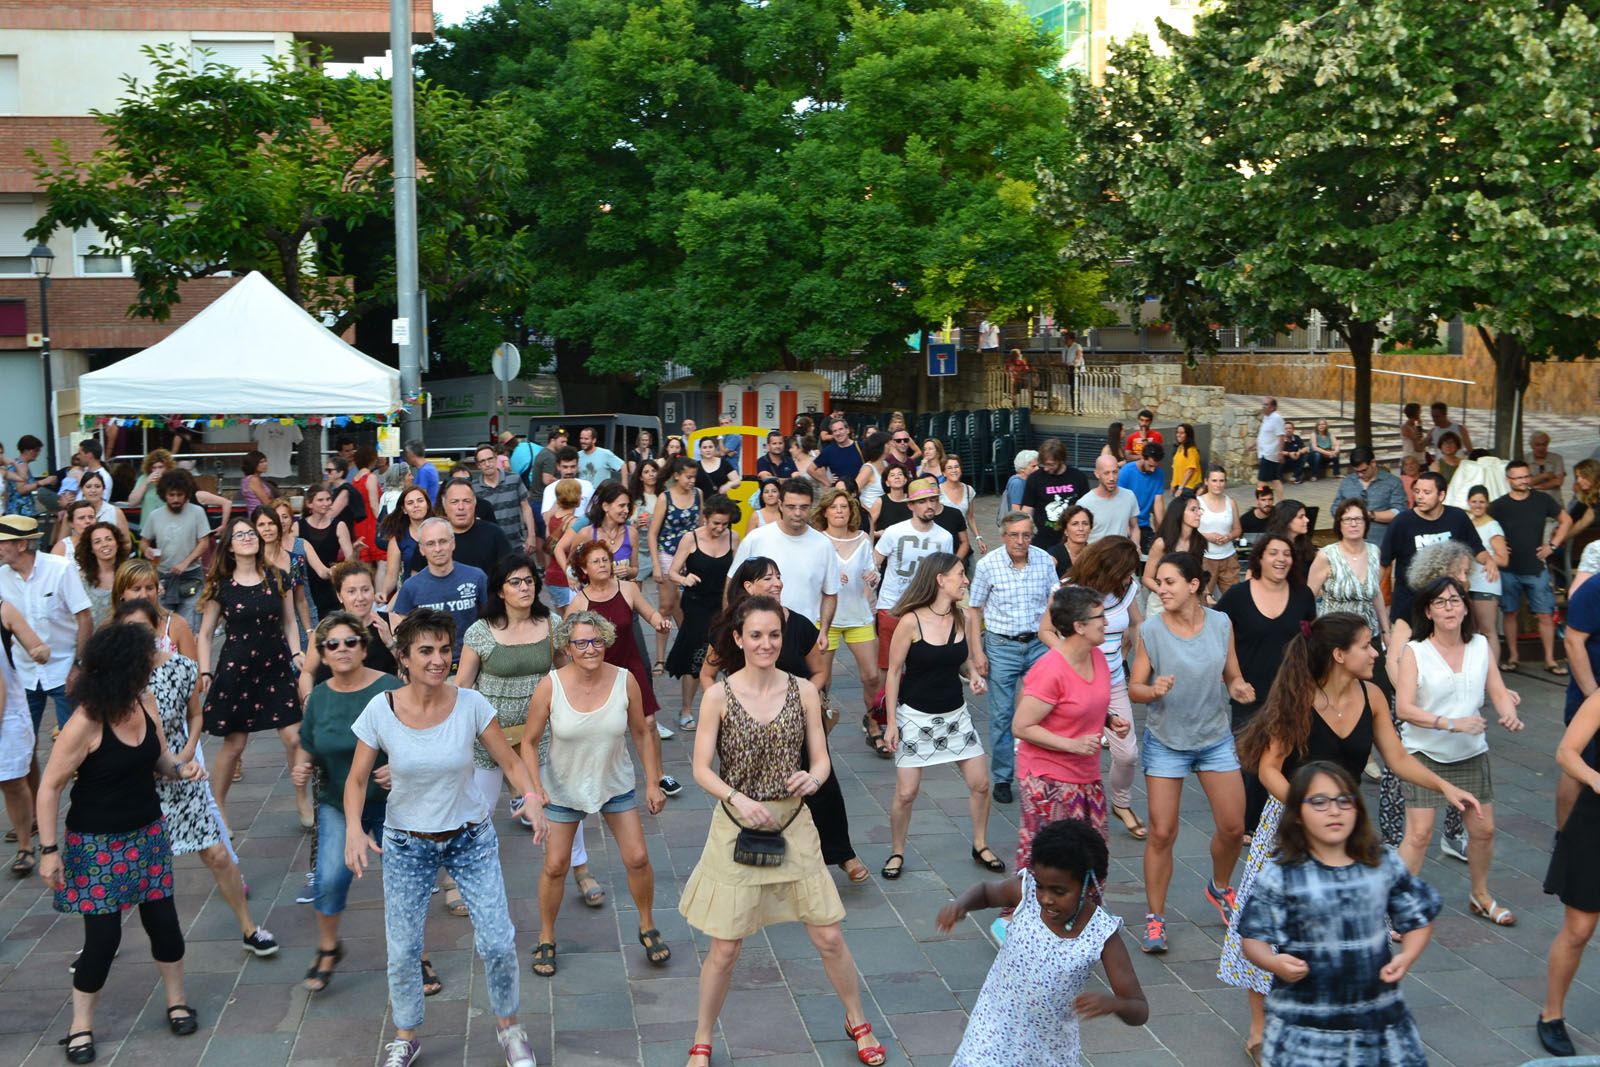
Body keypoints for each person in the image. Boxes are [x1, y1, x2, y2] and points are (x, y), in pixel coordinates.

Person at [1219, 614, 1480, 1056]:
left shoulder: (1373, 695)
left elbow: (1396, 757)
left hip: (1346, 828)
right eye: (1367, 646)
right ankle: (1260, 1028)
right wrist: (1305, 809)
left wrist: (1445, 786)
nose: (1376, 653)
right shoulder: (1300, 697)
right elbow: (1267, 768)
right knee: (1272, 926)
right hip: (1290, 827)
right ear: (1340, 655)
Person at [678, 594, 887, 1067]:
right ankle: (703, 1037)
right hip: (735, 826)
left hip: (794, 822)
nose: (766, 643)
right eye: (756, 635)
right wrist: (737, 798)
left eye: (773, 635)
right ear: (738, 638)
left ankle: (857, 1019)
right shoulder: (718, 695)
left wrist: (813, 777)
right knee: (726, 947)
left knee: (829, 937)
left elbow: (820, 757)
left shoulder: (803, 691)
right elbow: (700, 769)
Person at [343, 608, 541, 1067]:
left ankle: (510, 1030)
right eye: (425, 651)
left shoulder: (470, 704)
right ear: (404, 659)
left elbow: (510, 762)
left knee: (496, 940)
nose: (437, 660)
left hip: (469, 838)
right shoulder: (382, 709)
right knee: (405, 947)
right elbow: (356, 780)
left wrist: (528, 793)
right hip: (407, 844)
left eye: (444, 650)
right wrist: (354, 828)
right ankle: (406, 1036)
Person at [35, 620, 209, 1063]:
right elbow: (50, 786)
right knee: (103, 939)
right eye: (144, 664)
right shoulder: (85, 723)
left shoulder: (143, 702)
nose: (152, 670)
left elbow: (158, 759)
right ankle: (81, 1026)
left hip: (147, 834)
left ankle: (176, 1001)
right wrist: (50, 851)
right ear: (122, 668)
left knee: (164, 924)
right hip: (96, 845)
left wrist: (179, 768)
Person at [1236, 762, 1441, 1067]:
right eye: (1319, 802)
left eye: (1345, 800)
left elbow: (1418, 918)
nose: (1334, 810)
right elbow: (1252, 938)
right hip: (1304, 1024)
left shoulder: (1381, 864)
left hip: (1376, 1018)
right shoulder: (1280, 875)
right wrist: (1272, 962)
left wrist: (1406, 956)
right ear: (1297, 817)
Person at [117, 598, 277, 953]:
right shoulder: (114, 677)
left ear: (157, 628)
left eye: (143, 629)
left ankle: (250, 929)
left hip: (181, 771)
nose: (136, 638)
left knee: (217, 853)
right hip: (135, 779)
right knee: (124, 863)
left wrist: (189, 748)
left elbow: (196, 715)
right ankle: (100, 942)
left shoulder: (181, 668)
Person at [700, 557, 868, 884]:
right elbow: (707, 674)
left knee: (823, 788)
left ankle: (842, 853)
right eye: (768, 578)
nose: (777, 583)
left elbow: (820, 671)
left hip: (797, 723)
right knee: (756, 790)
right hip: (747, 725)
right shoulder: (729, 627)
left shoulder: (799, 624)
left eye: (778, 577)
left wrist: (798, 699)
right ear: (748, 587)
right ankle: (764, 852)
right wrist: (723, 708)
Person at [519, 610, 668, 978]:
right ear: (568, 648)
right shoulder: (550, 685)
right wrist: (535, 789)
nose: (590, 649)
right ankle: (547, 935)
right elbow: (529, 741)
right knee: (556, 865)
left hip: (614, 782)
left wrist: (653, 780)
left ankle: (647, 925)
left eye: (597, 641)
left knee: (637, 857)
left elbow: (642, 732)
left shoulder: (625, 680)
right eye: (581, 643)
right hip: (563, 788)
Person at [938, 819, 1148, 1066]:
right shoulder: (1026, 894)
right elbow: (986, 891)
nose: (1046, 899)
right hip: (991, 1031)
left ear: (1088, 885)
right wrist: (961, 905)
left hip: (1048, 1050)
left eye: (1059, 891)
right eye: (1041, 886)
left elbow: (1139, 1009)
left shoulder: (1102, 935)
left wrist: (1115, 1004)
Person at [1129, 551, 1254, 953]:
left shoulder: (1220, 623)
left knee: (1234, 827)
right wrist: (1153, 691)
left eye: (1169, 582)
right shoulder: (1151, 629)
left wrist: (1237, 687)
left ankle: (1219, 887)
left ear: (1194, 585)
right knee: (1162, 832)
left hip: (1214, 737)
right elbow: (1135, 687)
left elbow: (1231, 673)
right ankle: (1155, 918)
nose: (1161, 589)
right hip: (1167, 741)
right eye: (1158, 583)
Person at [1394, 575, 1523, 925]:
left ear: (1466, 608)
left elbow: (1496, 689)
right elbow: (1404, 708)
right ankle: (1398, 907)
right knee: (1419, 835)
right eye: (1440, 602)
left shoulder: (1480, 645)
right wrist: (1450, 723)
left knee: (1484, 830)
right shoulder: (1415, 651)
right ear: (1428, 611)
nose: (1449, 607)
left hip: (1470, 752)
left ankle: (1480, 895)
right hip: (1423, 753)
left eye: (1455, 600)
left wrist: (1508, 713)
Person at [881, 553, 994, 878]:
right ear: (940, 579)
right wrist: (891, 723)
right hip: (915, 717)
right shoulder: (910, 622)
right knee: (906, 792)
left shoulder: (965, 618)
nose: (966, 580)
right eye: (961, 574)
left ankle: (980, 844)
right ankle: (897, 851)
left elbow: (963, 659)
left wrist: (972, 673)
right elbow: (894, 672)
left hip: (956, 715)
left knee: (981, 784)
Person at [198, 515, 306, 827]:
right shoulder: (221, 585)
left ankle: (302, 798)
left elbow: (288, 621)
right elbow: (205, 633)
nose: (248, 537)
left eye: (251, 533)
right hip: (237, 669)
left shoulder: (277, 577)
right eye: (240, 534)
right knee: (234, 746)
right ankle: (218, 808)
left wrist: (296, 651)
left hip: (275, 666)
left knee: (294, 737)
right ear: (229, 547)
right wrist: (205, 671)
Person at [1013, 586, 1134, 862]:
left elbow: (1080, 702)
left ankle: (1085, 907)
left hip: (1086, 776)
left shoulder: (1098, 658)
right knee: (1051, 866)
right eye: (1100, 617)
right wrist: (1072, 744)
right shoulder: (1050, 669)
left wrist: (1110, 720)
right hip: (1047, 781)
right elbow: (1021, 726)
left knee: (1091, 859)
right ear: (1079, 626)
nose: (1106, 622)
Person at [1048, 537, 1147, 841]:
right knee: (1076, 752)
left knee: (1127, 753)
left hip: (1113, 680)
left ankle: (1121, 802)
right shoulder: (1067, 589)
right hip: (1074, 685)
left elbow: (1137, 625)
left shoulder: (1128, 588)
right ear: (1109, 566)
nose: (1130, 576)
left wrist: (1143, 659)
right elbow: (1045, 630)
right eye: (1126, 570)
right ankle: (1069, 814)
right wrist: (1072, 656)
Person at [1218, 533, 1317, 835]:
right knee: (1252, 763)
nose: (1281, 559)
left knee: (1290, 758)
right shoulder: (1237, 595)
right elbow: (1217, 636)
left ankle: (1286, 821)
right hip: (1250, 693)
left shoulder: (1303, 596)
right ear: (1259, 558)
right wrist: (1232, 679)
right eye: (1273, 553)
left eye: (1286, 554)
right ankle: (1249, 825)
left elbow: (1312, 643)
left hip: (1293, 692)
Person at [568, 541, 675, 789]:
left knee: (648, 722)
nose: (603, 565)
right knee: (600, 727)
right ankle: (597, 775)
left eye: (605, 559)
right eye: (596, 561)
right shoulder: (580, 603)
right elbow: (568, 641)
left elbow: (650, 613)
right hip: (599, 672)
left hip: (631, 665)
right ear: (584, 569)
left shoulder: (627, 589)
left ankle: (658, 775)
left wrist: (660, 622)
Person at [1539, 683, 1600, 1057]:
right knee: (1578, 929)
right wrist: (1595, 778)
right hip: (1595, 822)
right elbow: (1566, 753)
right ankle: (1551, 1015)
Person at [0, 514, 93, 748]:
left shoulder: (60, 568)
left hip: (64, 669)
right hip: (22, 673)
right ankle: (32, 786)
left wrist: (78, 665)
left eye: (3, 542)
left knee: (72, 744)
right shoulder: (1, 577)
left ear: (22, 545)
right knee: (23, 746)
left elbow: (84, 618)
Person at [809, 488, 882, 747]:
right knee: (822, 680)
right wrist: (824, 580)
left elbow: (872, 570)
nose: (840, 511)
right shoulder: (816, 540)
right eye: (834, 507)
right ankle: (817, 727)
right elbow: (808, 577)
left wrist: (874, 578)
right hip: (826, 618)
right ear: (825, 511)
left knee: (872, 676)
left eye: (844, 507)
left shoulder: (863, 538)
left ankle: (873, 723)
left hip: (858, 614)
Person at [663, 494, 741, 729]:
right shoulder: (691, 538)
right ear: (705, 518)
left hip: (724, 605)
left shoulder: (734, 538)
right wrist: (684, 579)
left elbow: (738, 571)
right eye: (715, 523)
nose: (719, 528)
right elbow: (673, 572)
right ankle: (686, 710)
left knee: (726, 656)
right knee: (695, 658)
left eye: (724, 524)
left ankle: (727, 707)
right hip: (696, 604)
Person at [729, 477, 840, 640]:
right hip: (760, 633)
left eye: (804, 507)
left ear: (811, 507)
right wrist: (733, 626)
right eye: (791, 507)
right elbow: (732, 583)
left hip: (806, 634)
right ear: (780, 505)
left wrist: (823, 630)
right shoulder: (757, 538)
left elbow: (830, 593)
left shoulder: (823, 544)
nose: (797, 513)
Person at [1490, 460, 1573, 674]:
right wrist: (1496, 548)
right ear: (1508, 480)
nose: (1523, 481)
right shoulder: (1499, 505)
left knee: (1545, 614)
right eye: (1518, 477)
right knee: (1510, 613)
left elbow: (1566, 520)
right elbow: (1482, 525)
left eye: (1526, 476)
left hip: (1537, 567)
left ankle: (1550, 660)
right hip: (1508, 569)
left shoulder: (1542, 500)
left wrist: (1552, 546)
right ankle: (1514, 657)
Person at [1382, 471, 1492, 628]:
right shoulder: (1401, 522)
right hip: (1409, 604)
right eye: (1417, 491)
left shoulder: (1458, 517)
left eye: (1427, 492)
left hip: (1447, 604)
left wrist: (1489, 561)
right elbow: (1384, 562)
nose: (1419, 497)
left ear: (1441, 496)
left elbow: (1476, 547)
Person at [390, 518, 488, 670]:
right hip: (430, 668)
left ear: (453, 543)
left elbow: (493, 621)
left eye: (443, 541)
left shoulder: (477, 578)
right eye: (430, 543)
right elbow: (402, 634)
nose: (437, 548)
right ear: (421, 549)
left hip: (475, 665)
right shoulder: (410, 587)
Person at [140, 469, 214, 630]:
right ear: (164, 494)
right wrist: (147, 550)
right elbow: (144, 541)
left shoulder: (197, 512)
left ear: (187, 494)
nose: (175, 499)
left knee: (190, 627)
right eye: (171, 495)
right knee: (162, 627)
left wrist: (185, 563)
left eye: (180, 495)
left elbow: (204, 542)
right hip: (162, 577)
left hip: (191, 576)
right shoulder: (155, 515)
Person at [1309, 498, 1390, 639]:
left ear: (1366, 523)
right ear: (1339, 525)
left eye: (1358, 519)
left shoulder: (1374, 552)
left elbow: (1376, 594)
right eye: (1347, 519)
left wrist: (1386, 631)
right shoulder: (1327, 555)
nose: (1353, 524)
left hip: (1369, 634)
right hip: (1335, 637)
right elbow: (1308, 599)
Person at [649, 457, 702, 661]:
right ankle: (661, 658)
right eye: (688, 477)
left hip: (691, 555)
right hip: (668, 553)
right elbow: (653, 533)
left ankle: (686, 647)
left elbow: (700, 524)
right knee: (666, 606)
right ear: (677, 476)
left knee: (688, 605)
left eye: (694, 477)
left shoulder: (698, 494)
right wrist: (655, 564)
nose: (691, 481)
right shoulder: (665, 498)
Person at [1461, 484, 1510, 668]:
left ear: (1487, 503)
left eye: (1481, 502)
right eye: (1474, 502)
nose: (1478, 505)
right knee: (1471, 631)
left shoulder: (1493, 526)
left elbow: (1504, 559)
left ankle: (1492, 672)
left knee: (1488, 631)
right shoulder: (1468, 523)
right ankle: (1476, 670)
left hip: (1486, 583)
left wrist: (1487, 559)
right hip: (1469, 583)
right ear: (1468, 503)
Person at [299, 483, 356, 621]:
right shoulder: (298, 527)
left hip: (330, 583)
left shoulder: (339, 525)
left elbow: (350, 559)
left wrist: (340, 567)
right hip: (306, 585)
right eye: (320, 500)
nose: (326, 503)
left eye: (328, 499)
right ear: (309, 503)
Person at [1021, 438, 1090, 551]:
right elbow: (1027, 509)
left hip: (1071, 541)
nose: (1046, 469)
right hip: (1042, 541)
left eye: (1051, 465)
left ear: (1061, 460)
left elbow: (1086, 510)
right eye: (1044, 465)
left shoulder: (1078, 477)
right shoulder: (1035, 478)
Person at [1140, 493, 1207, 607]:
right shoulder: (1161, 543)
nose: (1199, 513)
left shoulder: (1199, 542)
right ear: (1179, 513)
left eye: (1199, 509)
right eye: (1193, 509)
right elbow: (1147, 578)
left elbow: (1198, 575)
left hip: (1188, 602)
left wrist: (1206, 594)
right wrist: (1165, 592)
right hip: (1162, 603)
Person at [1336, 446, 1408, 546]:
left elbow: (1400, 512)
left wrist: (1370, 515)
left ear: (1373, 463)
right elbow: (1335, 508)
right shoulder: (1347, 482)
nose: (1360, 475)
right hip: (1351, 544)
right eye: (1357, 471)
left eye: (1364, 470)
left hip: (1383, 542)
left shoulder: (1393, 482)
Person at [439, 479, 513, 576]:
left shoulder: (494, 534)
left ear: (475, 504)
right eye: (454, 502)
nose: (461, 507)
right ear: (444, 505)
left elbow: (510, 572)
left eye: (466, 501)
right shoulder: (434, 537)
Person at [378, 485, 437, 604]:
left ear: (427, 504)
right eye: (410, 503)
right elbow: (391, 575)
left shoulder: (442, 530)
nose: (416, 505)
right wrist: (383, 592)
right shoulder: (397, 540)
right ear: (404, 510)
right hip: (411, 594)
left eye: (420, 501)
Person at [472, 441, 534, 553]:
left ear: (496, 459)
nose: (487, 464)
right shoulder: (473, 488)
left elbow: (526, 507)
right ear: (478, 465)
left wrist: (531, 536)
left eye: (490, 459)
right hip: (490, 547)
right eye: (482, 461)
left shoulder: (514, 479)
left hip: (516, 545)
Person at [1197, 464, 1242, 597]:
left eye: (1221, 481)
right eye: (1214, 480)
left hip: (1229, 557)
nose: (1218, 484)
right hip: (1206, 557)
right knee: (1204, 598)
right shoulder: (1198, 502)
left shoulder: (1231, 502)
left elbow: (1238, 529)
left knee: (1234, 597)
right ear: (1206, 481)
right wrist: (1207, 536)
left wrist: (1228, 537)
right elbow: (1188, 530)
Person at [74, 521, 129, 626]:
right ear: (91, 549)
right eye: (97, 541)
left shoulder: (130, 573)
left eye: (109, 539)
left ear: (117, 543)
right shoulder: (80, 579)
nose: (104, 544)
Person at [1080, 454, 1140, 546]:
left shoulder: (1129, 496)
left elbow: (1134, 527)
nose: (1111, 478)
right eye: (1106, 473)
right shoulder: (1085, 503)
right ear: (1097, 474)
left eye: (1115, 472)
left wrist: (1136, 546)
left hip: (1122, 556)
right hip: (1096, 557)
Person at [542, 479, 583, 612]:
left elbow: (549, 546)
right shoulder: (574, 522)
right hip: (566, 578)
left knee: (564, 619)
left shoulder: (552, 517)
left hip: (552, 576)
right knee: (573, 622)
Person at [1117, 442, 1167, 552]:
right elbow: (1118, 502)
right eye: (1150, 465)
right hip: (1125, 524)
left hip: (1144, 525)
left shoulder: (1159, 473)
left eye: (1156, 466)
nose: (1153, 470)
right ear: (1142, 458)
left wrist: (1163, 532)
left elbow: (1158, 504)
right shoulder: (1126, 472)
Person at [1262, 496, 1314, 587]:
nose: (1307, 520)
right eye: (1301, 517)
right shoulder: (1268, 546)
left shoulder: (1303, 542)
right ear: (1287, 520)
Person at [1046, 504, 1094, 580]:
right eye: (1075, 524)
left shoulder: (1095, 554)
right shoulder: (1054, 555)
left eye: (1085, 523)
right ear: (1065, 530)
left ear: (1090, 529)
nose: (1081, 528)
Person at [815, 417, 864, 487]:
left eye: (841, 429)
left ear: (847, 430)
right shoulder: (828, 451)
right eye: (834, 431)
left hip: (862, 493)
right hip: (840, 494)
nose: (838, 433)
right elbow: (811, 469)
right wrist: (827, 482)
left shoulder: (861, 447)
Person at [1253, 397, 1287, 498]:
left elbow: (1281, 436)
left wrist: (1280, 453)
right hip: (1265, 453)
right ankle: (1282, 502)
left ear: (1273, 407)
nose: (1263, 407)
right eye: (1263, 404)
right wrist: (1253, 445)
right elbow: (1263, 436)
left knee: (1261, 481)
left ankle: (1261, 500)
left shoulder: (1276, 418)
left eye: (1266, 404)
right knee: (1275, 480)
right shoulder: (1266, 418)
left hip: (1269, 454)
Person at [996, 449, 1038, 528]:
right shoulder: (1017, 483)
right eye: (1033, 466)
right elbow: (1016, 511)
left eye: (1037, 465)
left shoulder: (1025, 480)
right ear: (1022, 469)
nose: (1037, 468)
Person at [693, 433, 740, 498]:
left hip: (721, 504)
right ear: (700, 450)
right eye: (704, 448)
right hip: (702, 504)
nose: (708, 450)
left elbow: (737, 481)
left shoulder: (724, 463)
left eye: (710, 447)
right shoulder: (695, 466)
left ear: (715, 448)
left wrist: (729, 484)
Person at [1528, 430, 1567, 505]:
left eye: (1544, 444)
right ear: (1531, 445)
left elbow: (1558, 482)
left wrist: (1536, 487)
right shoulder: (1525, 459)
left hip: (1554, 501)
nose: (1541, 448)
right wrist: (1545, 475)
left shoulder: (1557, 458)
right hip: (1532, 502)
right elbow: (1527, 482)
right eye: (1538, 445)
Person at [871, 462, 910, 532]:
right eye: (892, 475)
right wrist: (878, 534)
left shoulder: (912, 499)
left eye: (900, 474)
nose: (897, 477)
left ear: (905, 480)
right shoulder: (880, 501)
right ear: (887, 483)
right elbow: (868, 527)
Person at [404, 440, 440, 504]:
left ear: (410, 454)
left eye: (406, 454)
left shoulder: (424, 471)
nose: (406, 457)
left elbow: (420, 496)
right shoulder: (430, 467)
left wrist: (408, 487)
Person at [1170, 422, 1202, 494]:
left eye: (1182, 433)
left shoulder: (1191, 451)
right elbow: (1176, 467)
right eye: (1177, 432)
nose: (1178, 435)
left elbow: (1190, 470)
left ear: (1188, 435)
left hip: (1188, 487)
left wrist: (1181, 488)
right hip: (1179, 486)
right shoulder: (1180, 448)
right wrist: (1173, 483)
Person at [1398, 402, 1428, 467]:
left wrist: (1419, 426)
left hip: (1421, 459)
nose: (1421, 413)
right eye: (1420, 411)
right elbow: (1417, 446)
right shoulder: (1405, 427)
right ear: (1416, 413)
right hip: (1410, 461)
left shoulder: (1416, 425)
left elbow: (1420, 439)